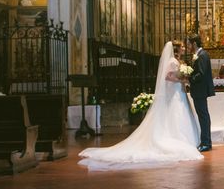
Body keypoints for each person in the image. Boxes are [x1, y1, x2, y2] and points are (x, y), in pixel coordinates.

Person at [78, 41, 202, 170]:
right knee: (176, 114)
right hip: (175, 92)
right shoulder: (172, 61)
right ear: (176, 49)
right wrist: (183, 79)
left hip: (178, 91)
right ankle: (179, 139)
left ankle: (185, 139)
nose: (183, 48)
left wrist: (183, 78)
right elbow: (168, 76)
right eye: (181, 47)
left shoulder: (176, 61)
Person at [187, 35, 215, 152]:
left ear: (194, 44)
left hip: (200, 91)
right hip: (199, 91)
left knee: (203, 116)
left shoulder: (202, 55)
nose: (188, 46)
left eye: (189, 44)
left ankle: (206, 143)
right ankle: (206, 141)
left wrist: (189, 78)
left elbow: (201, 74)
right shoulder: (199, 55)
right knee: (203, 116)